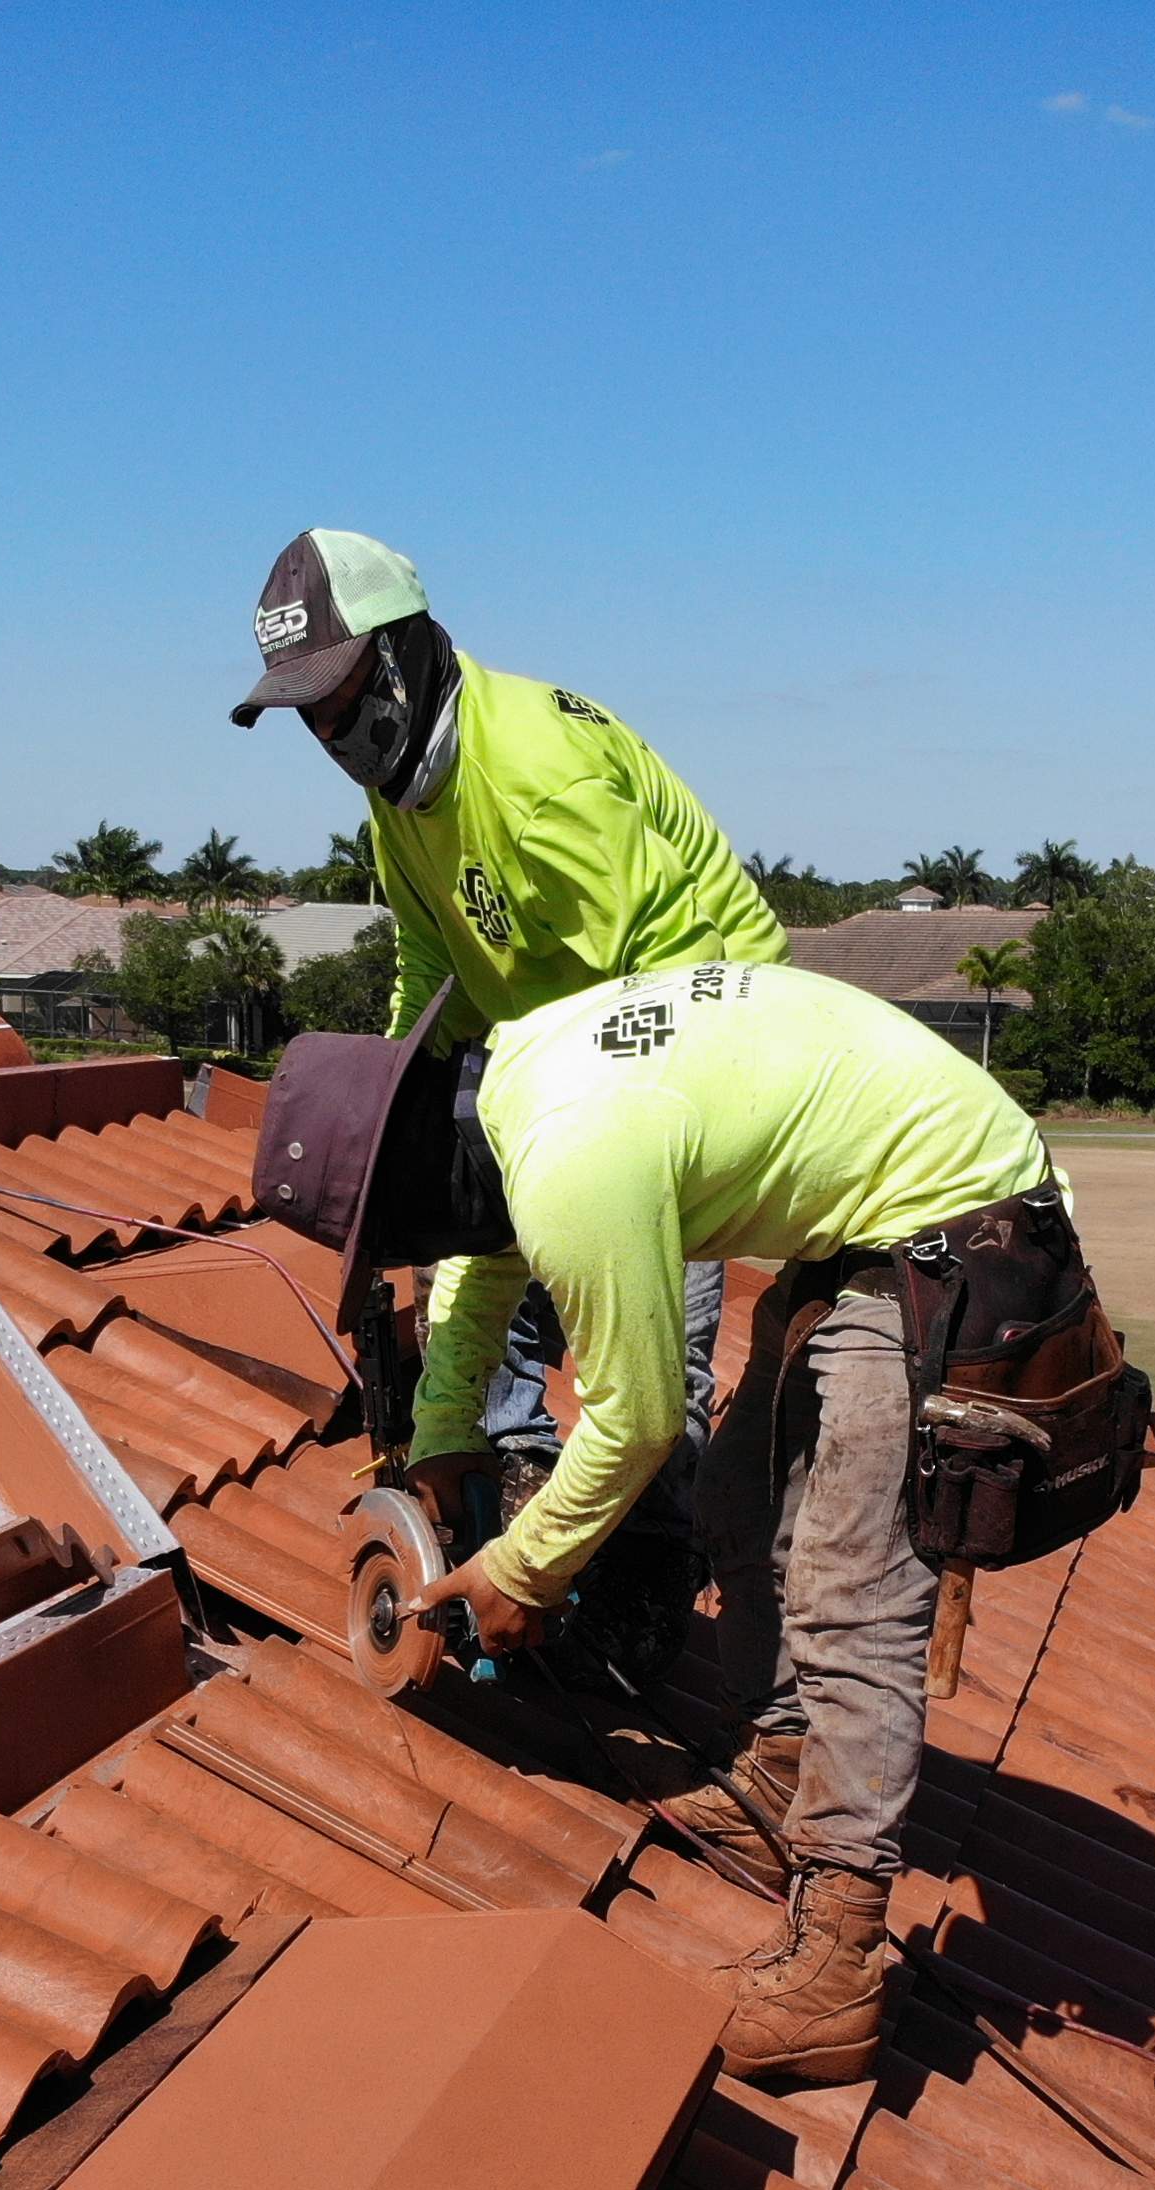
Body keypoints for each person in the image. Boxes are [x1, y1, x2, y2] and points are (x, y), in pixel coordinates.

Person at [249, 959, 1088, 2089]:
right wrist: (446, 1431)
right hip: (872, 1228)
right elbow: (489, 1260)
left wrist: (524, 1571)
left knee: (851, 1582)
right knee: (741, 1491)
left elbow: (637, 1420)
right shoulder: (508, 1094)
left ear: (417, 1178)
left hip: (961, 1232)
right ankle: (785, 1774)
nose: (425, 1253)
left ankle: (839, 1955)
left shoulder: (571, 1156)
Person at [232, 527, 775, 1508]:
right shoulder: (400, 799)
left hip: (708, 1038)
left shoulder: (534, 777)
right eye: (305, 711)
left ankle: (655, 1531)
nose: (328, 732)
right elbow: (433, 961)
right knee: (485, 1228)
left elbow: (682, 979)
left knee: (644, 1347)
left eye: (338, 695)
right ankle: (515, 1464)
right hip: (562, 1042)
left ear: (403, 650)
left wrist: (572, 1147)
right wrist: (399, 1122)